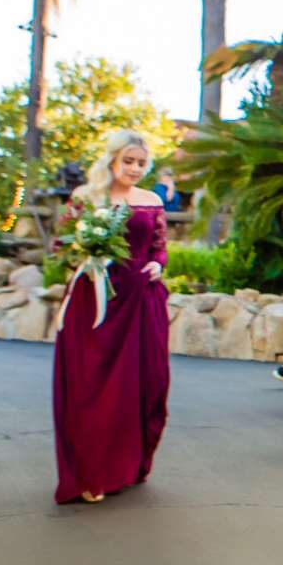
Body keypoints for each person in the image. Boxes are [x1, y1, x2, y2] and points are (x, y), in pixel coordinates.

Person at [51, 129, 171, 505]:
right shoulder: (87, 198)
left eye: (141, 163)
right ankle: (92, 472)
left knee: (147, 384)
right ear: (112, 160)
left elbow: (159, 248)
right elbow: (61, 246)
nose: (135, 169)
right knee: (95, 387)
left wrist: (156, 265)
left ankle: (131, 462)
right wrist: (86, 255)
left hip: (140, 301)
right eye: (129, 161)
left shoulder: (151, 201)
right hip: (95, 304)